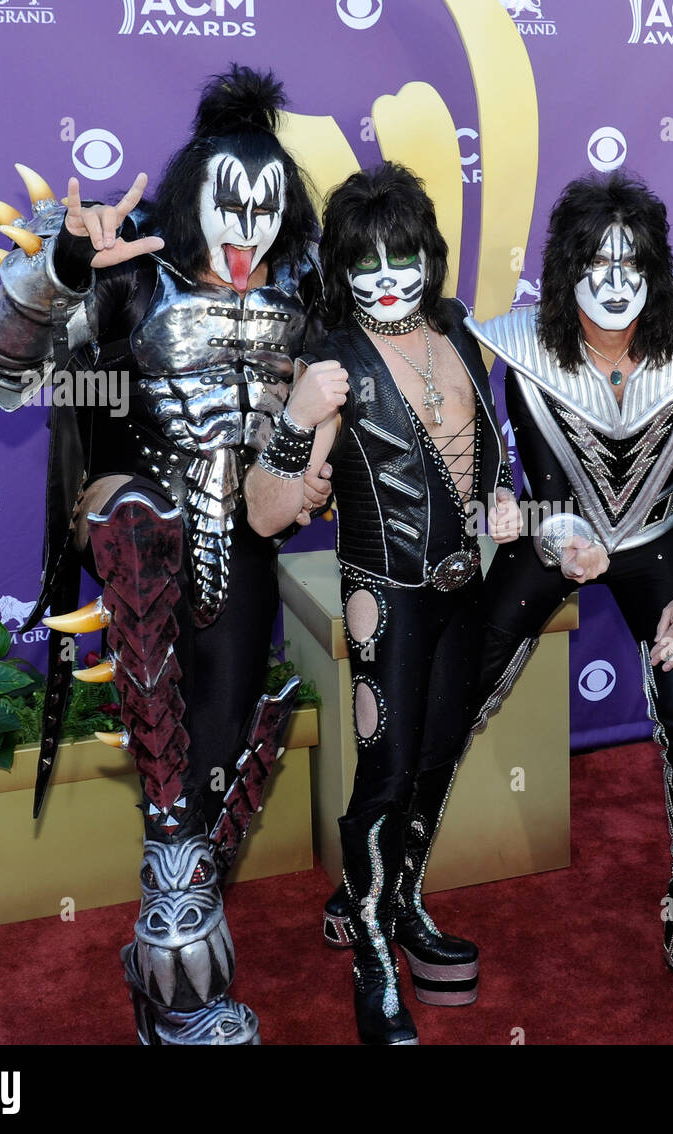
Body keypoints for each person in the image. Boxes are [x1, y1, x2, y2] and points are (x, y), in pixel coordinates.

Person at [0, 65, 332, 1045]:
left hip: (243, 539)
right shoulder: (133, 271)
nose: (246, 230)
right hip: (136, 532)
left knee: (219, 749)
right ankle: (180, 982)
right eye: (229, 205)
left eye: (267, 209)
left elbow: (341, 398)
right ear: (192, 196)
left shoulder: (302, 289)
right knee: (138, 542)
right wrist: (64, 268)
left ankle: (165, 968)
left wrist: (311, 463)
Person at [464, 171, 673, 1019]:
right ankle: (387, 880)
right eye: (596, 261)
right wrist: (565, 543)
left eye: (632, 262)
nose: (615, 279)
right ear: (567, 271)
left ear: (656, 269)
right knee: (463, 682)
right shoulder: (526, 350)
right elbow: (545, 487)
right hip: (558, 536)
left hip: (664, 546)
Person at [246, 163, 522, 1045]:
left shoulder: (456, 326)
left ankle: (398, 901)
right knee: (389, 772)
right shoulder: (331, 360)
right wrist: (298, 420)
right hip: (386, 595)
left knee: (437, 759)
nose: (388, 277)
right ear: (340, 268)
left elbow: (482, 448)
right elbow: (264, 511)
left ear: (428, 255)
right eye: (364, 262)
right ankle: (370, 949)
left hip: (464, 588)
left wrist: (503, 498)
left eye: (401, 256)